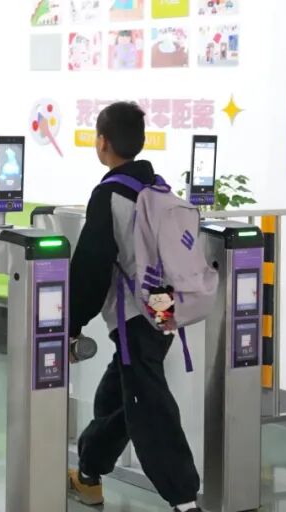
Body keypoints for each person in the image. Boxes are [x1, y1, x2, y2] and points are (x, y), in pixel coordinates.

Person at [67, 102, 203, 512]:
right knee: (123, 390)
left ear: (102, 142)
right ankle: (89, 472)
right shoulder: (158, 189)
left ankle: (184, 499)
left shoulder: (109, 194)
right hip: (162, 304)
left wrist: (71, 322)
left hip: (133, 314)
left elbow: (91, 265)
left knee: (148, 404)